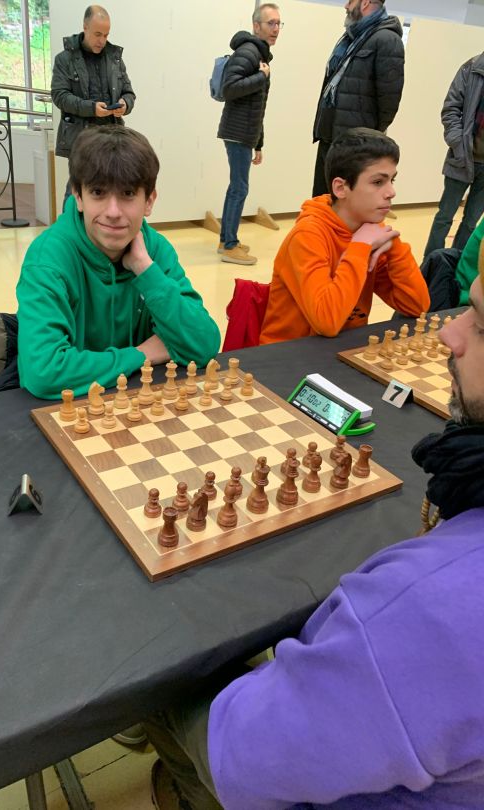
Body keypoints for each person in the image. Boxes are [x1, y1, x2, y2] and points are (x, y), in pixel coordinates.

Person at [145, 277, 484, 808]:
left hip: (305, 768)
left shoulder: (423, 608)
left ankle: (192, 793)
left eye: (480, 323)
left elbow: (249, 754)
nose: (449, 333)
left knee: (162, 675)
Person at [16, 126, 220, 400]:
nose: (113, 212)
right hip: (67, 410)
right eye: (98, 192)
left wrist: (145, 270)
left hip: (139, 404)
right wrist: (142, 354)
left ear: (149, 201)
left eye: (127, 193)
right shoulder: (48, 259)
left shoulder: (155, 250)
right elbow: (44, 372)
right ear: (78, 197)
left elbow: (205, 344)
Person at [260, 128, 429, 345]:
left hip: (342, 348)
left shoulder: (371, 231)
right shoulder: (307, 235)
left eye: (392, 181)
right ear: (341, 188)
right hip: (290, 354)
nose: (391, 192)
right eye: (378, 182)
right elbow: (327, 322)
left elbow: (417, 307)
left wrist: (393, 245)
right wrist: (360, 247)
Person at [312, 0, 404, 198]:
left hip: (354, 146)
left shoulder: (387, 40)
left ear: (365, 3)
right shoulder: (352, 38)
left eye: (350, 1)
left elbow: (389, 102)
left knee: (343, 204)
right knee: (322, 201)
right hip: (330, 137)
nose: (346, 6)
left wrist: (366, 137)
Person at [217, 3, 281, 267]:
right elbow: (229, 88)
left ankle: (226, 240)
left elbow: (258, 105)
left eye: (278, 23)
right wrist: (260, 77)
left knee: (237, 186)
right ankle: (230, 246)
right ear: (256, 26)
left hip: (245, 132)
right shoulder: (248, 52)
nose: (276, 29)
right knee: (239, 188)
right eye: (270, 23)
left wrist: (259, 144)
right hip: (237, 131)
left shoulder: (259, 53)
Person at [51, 4, 135, 202]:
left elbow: (129, 93)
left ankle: (102, 223)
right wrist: (91, 109)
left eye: (106, 35)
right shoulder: (64, 59)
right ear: (85, 27)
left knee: (111, 188)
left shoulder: (115, 59)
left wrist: (125, 104)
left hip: (112, 137)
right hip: (81, 138)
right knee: (76, 190)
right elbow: (59, 95)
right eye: (98, 34)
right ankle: (69, 223)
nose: (102, 41)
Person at [423, 52, 484, 259]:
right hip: (463, 158)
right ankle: (431, 264)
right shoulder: (472, 68)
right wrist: (458, 144)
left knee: (471, 222)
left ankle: (455, 265)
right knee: (444, 217)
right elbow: (451, 108)